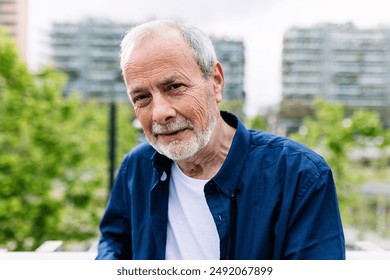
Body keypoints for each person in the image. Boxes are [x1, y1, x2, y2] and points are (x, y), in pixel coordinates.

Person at [96, 19, 345, 260]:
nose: (161, 113)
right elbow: (115, 242)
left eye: (174, 87)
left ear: (215, 82)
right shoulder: (136, 168)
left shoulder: (299, 175)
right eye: (141, 97)